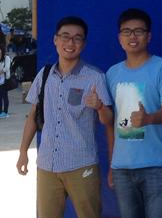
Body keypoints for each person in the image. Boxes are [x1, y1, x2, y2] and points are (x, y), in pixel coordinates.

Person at [15, 16, 113, 218]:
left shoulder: (95, 77)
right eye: (65, 36)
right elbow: (32, 116)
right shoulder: (44, 75)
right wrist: (23, 151)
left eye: (77, 38)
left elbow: (108, 120)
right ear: (55, 39)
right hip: (47, 165)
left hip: (81, 164)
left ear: (83, 43)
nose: (70, 43)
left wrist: (100, 106)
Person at [106, 8, 162, 218]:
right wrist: (111, 164)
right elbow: (110, 123)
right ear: (119, 38)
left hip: (156, 164)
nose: (132, 36)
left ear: (149, 36)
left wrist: (149, 118)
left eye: (138, 31)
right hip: (121, 168)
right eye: (127, 32)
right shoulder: (112, 73)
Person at [0, 44, 12, 117]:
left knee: (4, 96)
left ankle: (5, 112)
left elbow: (7, 68)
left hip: (5, 80)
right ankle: (0, 111)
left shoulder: (6, 58)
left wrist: (1, 71)